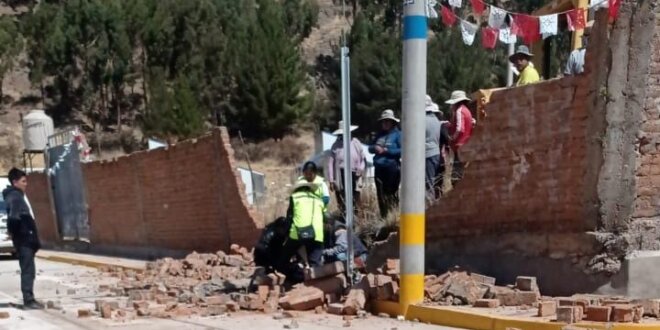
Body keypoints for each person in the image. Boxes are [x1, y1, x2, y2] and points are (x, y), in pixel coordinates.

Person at [4, 168, 42, 309]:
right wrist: (17, 233)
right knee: (28, 270)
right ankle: (29, 300)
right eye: (23, 181)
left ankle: (30, 298)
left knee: (29, 269)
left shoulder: (17, 195)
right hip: (24, 240)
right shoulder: (15, 196)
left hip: (26, 239)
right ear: (15, 182)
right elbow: (13, 218)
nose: (26, 184)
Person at [280, 182, 325, 272]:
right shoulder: (319, 199)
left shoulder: (295, 197)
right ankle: (315, 278)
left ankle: (287, 277)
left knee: (284, 257)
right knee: (315, 263)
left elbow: (290, 217)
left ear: (297, 189)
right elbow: (323, 216)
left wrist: (285, 233)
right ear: (309, 189)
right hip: (317, 234)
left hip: (298, 233)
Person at [368, 109, 402, 218]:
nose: (385, 123)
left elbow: (402, 150)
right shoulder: (379, 135)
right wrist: (375, 148)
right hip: (379, 167)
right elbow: (370, 148)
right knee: (380, 194)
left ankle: (393, 216)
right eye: (383, 121)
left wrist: (387, 151)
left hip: (392, 168)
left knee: (391, 193)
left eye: (387, 121)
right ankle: (384, 217)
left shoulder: (398, 135)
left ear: (392, 122)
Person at [327, 121, 366, 215]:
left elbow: (363, 159)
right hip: (340, 174)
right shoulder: (335, 145)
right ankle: (344, 217)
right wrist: (331, 180)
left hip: (354, 173)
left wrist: (361, 169)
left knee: (355, 197)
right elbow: (330, 163)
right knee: (342, 197)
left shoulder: (356, 143)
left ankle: (356, 218)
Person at [445, 91, 474, 182]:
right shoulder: (467, 111)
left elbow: (460, 128)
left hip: (460, 145)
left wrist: (452, 138)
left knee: (456, 174)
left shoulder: (459, 111)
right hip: (466, 144)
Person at [424, 95, 442, 201]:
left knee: (428, 185)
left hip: (427, 154)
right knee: (433, 182)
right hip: (436, 153)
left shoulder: (422, 120)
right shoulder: (436, 119)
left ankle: (428, 208)